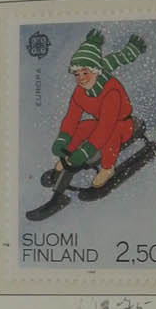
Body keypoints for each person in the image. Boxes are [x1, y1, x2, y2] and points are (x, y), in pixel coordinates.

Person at [51, 27, 146, 193]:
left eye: (85, 72)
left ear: (96, 71)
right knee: (82, 126)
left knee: (111, 135)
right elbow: (71, 118)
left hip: (123, 125)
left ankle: (107, 168)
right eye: (77, 74)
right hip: (101, 121)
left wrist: (86, 151)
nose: (81, 78)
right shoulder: (80, 92)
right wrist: (62, 139)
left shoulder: (111, 92)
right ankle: (68, 157)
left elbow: (105, 127)